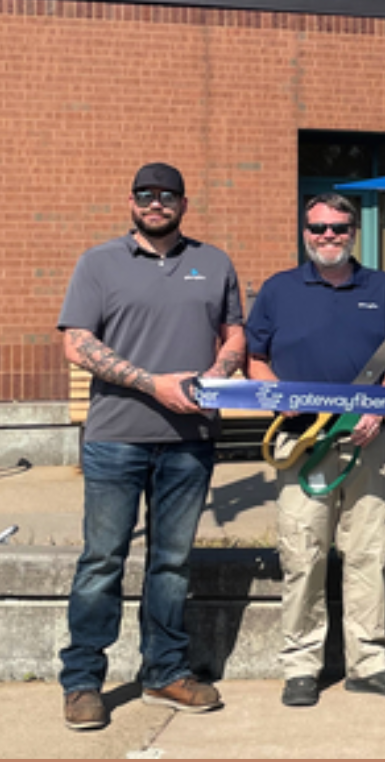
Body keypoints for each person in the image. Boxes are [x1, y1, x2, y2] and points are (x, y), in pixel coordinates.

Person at [56, 162, 245, 730]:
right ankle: (83, 681)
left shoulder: (214, 263)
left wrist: (213, 375)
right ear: (131, 201)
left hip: (190, 441)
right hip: (117, 438)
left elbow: (235, 334)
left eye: (167, 195)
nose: (155, 202)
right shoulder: (98, 263)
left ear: (184, 204)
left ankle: (164, 673)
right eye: (145, 194)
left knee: (172, 563)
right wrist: (153, 383)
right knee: (102, 560)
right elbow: (77, 343)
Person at [245, 193, 385, 706]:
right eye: (319, 227)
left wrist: (378, 406)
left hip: (366, 442)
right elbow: (255, 359)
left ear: (353, 232)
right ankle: (302, 665)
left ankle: (370, 662)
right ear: (305, 232)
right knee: (303, 553)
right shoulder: (279, 289)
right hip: (303, 442)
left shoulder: (382, 287)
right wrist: (278, 398)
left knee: (370, 551)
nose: (329, 236)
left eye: (339, 228)